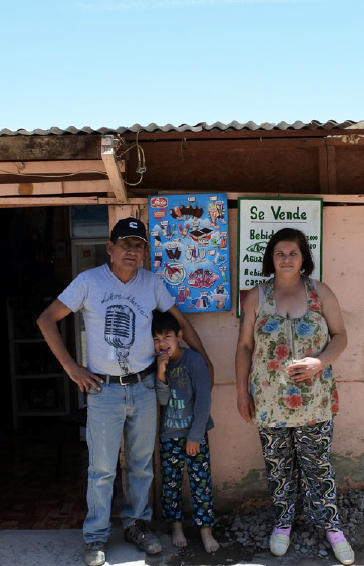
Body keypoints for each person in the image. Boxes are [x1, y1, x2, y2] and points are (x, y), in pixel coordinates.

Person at [37, 217, 213, 566]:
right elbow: (46, 319)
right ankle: (95, 537)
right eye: (126, 245)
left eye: (138, 246)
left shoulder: (151, 283)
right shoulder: (88, 282)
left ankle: (136, 525)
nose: (132, 252)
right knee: (102, 469)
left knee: (140, 465)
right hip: (104, 390)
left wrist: (205, 359)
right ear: (110, 248)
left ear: (144, 252)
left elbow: (180, 321)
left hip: (145, 386)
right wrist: (72, 368)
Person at [235, 228, 354, 566]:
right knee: (279, 467)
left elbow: (340, 336)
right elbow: (244, 346)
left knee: (318, 467)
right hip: (269, 403)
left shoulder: (320, 292)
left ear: (304, 258)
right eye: (280, 253)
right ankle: (284, 523)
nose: (286, 258)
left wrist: (320, 361)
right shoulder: (257, 296)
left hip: (314, 401)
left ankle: (332, 528)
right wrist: (242, 392)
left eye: (293, 252)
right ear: (270, 258)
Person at [152, 309, 219, 554]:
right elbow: (162, 401)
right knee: (171, 484)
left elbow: (203, 399)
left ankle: (205, 530)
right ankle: (176, 527)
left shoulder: (193, 361)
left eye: (166, 337)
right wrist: (161, 374)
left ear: (179, 336)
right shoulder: (159, 364)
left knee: (201, 483)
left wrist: (195, 436)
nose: (162, 344)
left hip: (195, 434)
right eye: (157, 339)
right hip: (169, 435)